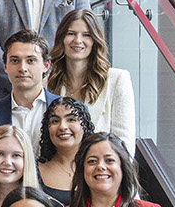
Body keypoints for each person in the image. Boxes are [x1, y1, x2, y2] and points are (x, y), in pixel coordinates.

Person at [46, 8, 135, 151]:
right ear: (61, 39)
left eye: (86, 35)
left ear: (95, 40)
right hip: (58, 170)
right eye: (71, 34)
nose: (78, 40)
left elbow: (125, 146)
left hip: (101, 170)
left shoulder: (117, 80)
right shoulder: (47, 83)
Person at [0, 29, 60, 138]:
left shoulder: (66, 109)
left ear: (46, 65)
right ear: (5, 66)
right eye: (15, 61)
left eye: (31, 60)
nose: (22, 68)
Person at [38, 97, 95, 207]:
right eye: (55, 121)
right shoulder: (34, 170)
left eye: (71, 119)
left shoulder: (99, 168)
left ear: (85, 125)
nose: (62, 126)